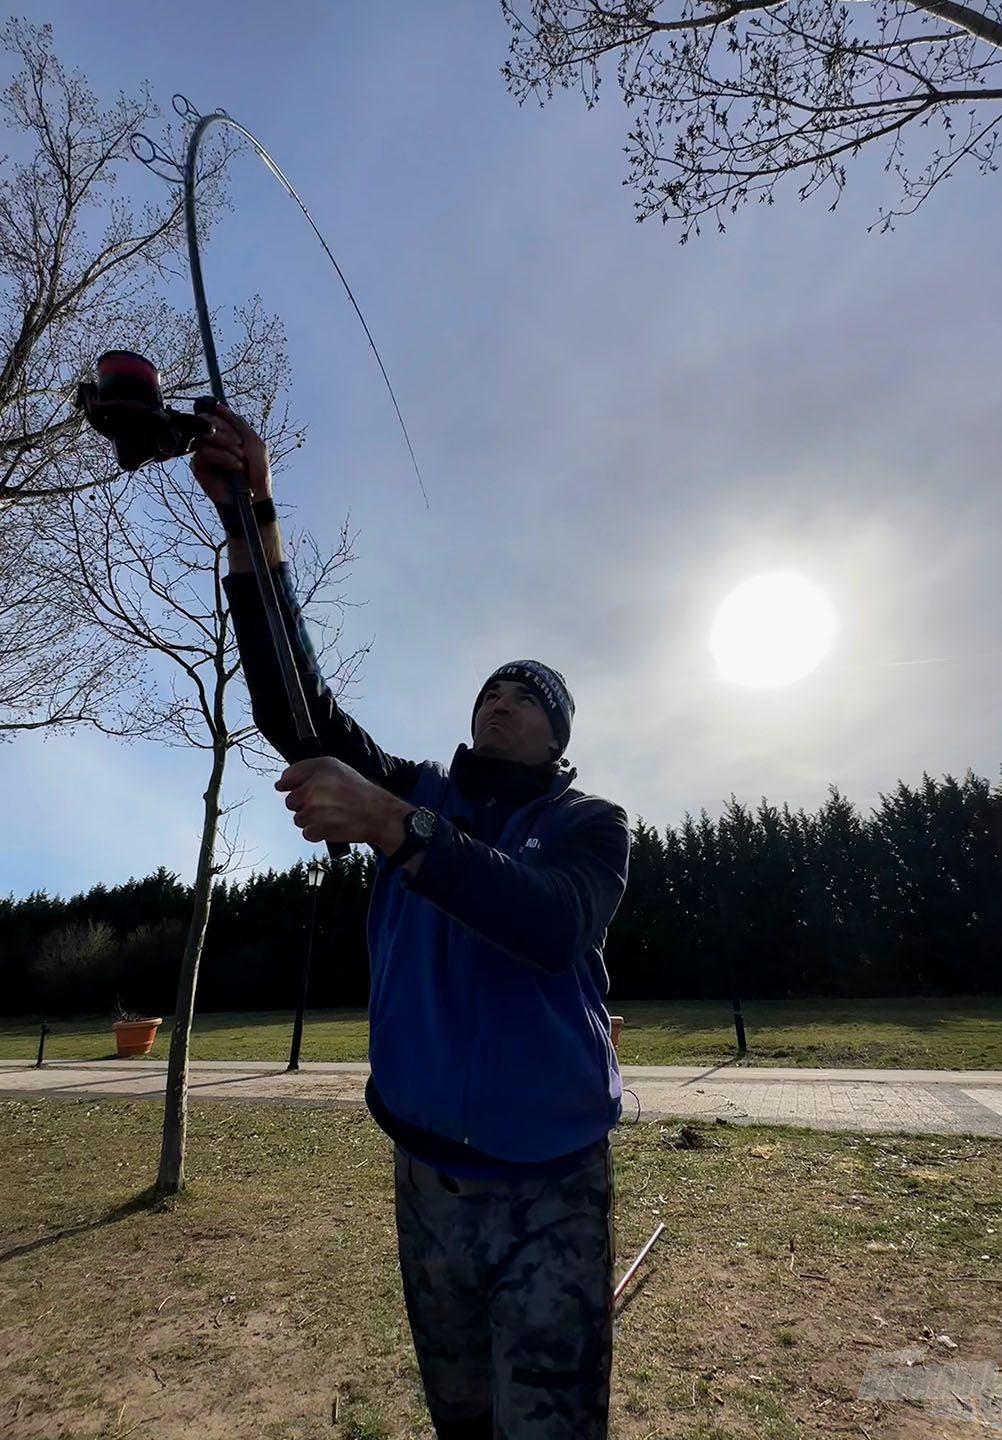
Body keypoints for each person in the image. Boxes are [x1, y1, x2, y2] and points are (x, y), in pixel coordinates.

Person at [192, 406, 631, 1440]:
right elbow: (303, 714)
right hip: (425, 1172)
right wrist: (253, 530)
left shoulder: (588, 824)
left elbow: (553, 926)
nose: (502, 697)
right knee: (461, 1418)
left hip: (554, 1182)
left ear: (557, 732)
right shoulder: (417, 786)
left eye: (527, 693)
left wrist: (400, 828)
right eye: (492, 687)